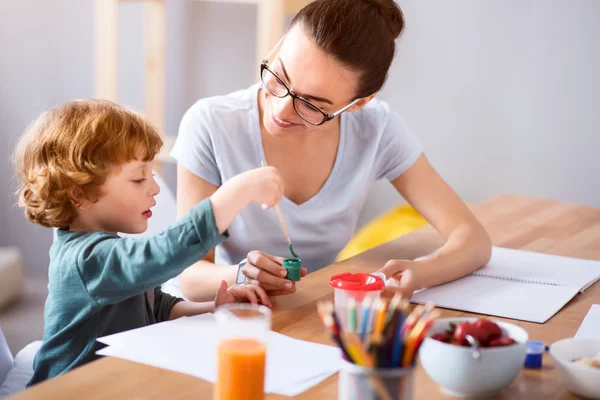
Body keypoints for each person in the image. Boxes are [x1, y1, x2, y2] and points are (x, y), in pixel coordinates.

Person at [169, 0, 492, 302]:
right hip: (228, 319)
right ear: (278, 45)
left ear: (360, 103)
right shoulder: (213, 122)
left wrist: (420, 272)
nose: (281, 110)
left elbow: (473, 240)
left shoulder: (375, 129)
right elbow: (189, 277)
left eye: (312, 105)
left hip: (314, 312)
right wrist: (240, 275)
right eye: (279, 77)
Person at [13, 99, 282, 385]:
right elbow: (163, 254)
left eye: (150, 175)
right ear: (79, 193)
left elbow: (154, 309)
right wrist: (237, 192)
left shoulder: (111, 251)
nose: (154, 188)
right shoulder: (85, 259)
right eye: (139, 178)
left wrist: (214, 308)